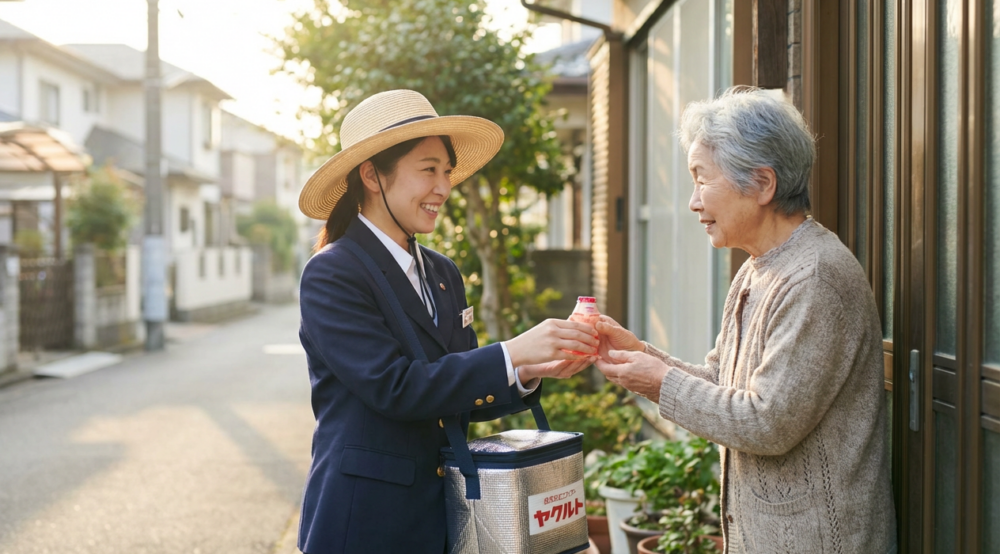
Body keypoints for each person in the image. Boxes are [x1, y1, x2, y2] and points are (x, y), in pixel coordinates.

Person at [295, 89, 598, 554]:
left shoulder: (442, 272)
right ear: (372, 175)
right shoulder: (333, 273)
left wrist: (526, 371)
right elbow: (394, 387)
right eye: (428, 170)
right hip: (365, 522)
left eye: (447, 171)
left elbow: (455, 393)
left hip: (442, 517)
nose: (444, 187)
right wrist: (511, 352)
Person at [594, 87, 896, 553]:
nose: (694, 202)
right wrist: (641, 355)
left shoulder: (816, 278)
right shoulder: (758, 268)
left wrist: (659, 382)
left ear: (762, 184)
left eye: (701, 180)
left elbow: (767, 422)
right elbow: (722, 383)